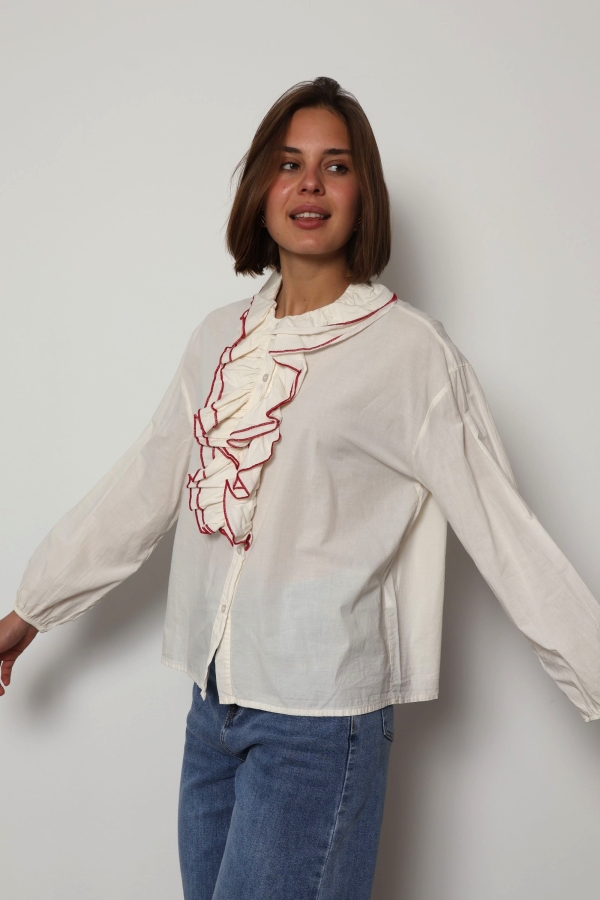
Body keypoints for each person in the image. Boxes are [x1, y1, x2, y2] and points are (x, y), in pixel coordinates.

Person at [1, 76, 599, 900]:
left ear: (364, 194)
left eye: (336, 166)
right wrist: (31, 609)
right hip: (213, 709)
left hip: (319, 727)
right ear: (261, 188)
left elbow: (507, 530)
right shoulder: (218, 338)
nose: (310, 184)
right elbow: (143, 485)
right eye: (289, 164)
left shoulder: (410, 353)